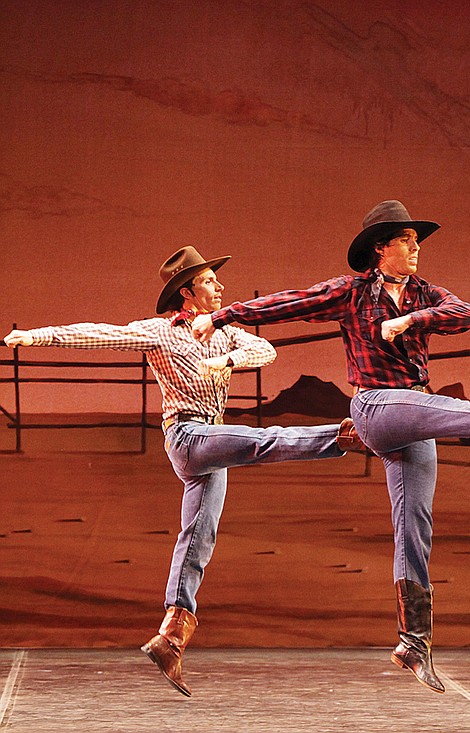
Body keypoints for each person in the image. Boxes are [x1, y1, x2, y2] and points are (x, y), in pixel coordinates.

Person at [190, 200, 470, 694]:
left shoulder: (425, 292)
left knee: (415, 525)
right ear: (380, 248)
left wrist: (410, 322)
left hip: (416, 412)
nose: (415, 248)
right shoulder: (353, 292)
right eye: (406, 240)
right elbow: (290, 303)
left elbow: (464, 313)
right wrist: (225, 315)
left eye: (416, 240)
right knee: (452, 413)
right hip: (377, 408)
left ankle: (414, 641)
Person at [2, 246, 370, 698]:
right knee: (261, 441)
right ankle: (345, 436)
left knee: (198, 535)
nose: (220, 287)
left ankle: (171, 636)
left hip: (211, 442)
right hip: (188, 438)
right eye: (211, 281)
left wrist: (229, 358)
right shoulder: (160, 332)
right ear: (187, 291)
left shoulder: (225, 331)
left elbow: (264, 348)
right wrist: (39, 337)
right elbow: (102, 335)